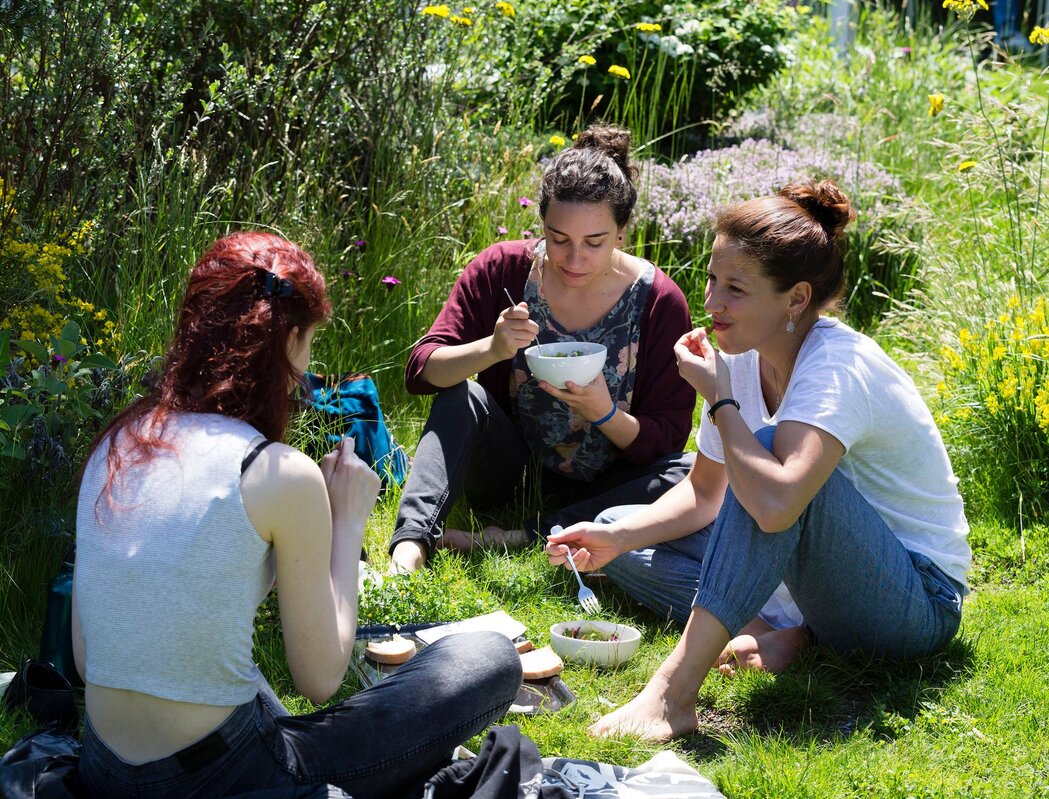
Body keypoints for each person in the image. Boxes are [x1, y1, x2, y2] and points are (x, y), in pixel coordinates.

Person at [72, 232, 522, 797]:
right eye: (309, 343)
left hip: (103, 770)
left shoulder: (116, 445)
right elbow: (320, 678)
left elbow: (88, 661)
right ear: (288, 340)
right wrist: (348, 522)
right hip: (231, 780)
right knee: (489, 658)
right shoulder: (278, 472)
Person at [545, 179, 971, 741]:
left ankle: (673, 694)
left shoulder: (836, 368)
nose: (712, 302)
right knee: (614, 528)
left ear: (795, 299)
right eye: (712, 279)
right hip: (808, 579)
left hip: (911, 601)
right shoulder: (744, 355)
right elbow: (705, 494)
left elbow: (775, 505)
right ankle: (781, 630)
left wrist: (720, 402)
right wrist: (619, 540)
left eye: (736, 289)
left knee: (767, 462)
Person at [389, 124, 696, 573]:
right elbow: (421, 370)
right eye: (558, 239)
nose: (574, 259)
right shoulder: (503, 270)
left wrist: (604, 413)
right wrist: (491, 349)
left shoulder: (659, 301)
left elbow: (665, 439)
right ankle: (411, 545)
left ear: (622, 232)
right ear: (542, 225)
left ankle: (525, 535)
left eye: (595, 242)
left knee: (691, 471)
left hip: (610, 483)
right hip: (508, 471)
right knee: (461, 394)